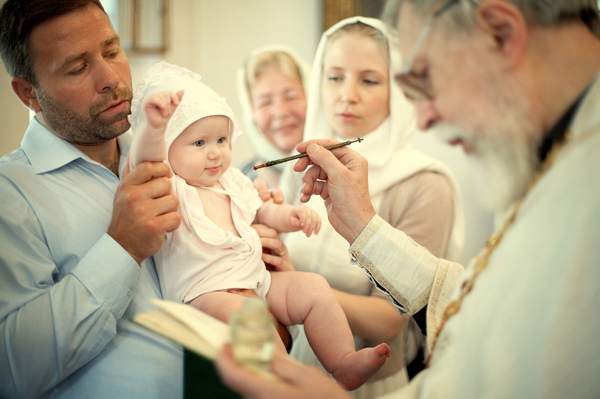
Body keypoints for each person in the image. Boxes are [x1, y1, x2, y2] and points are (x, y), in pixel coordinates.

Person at [216, 0, 600, 397]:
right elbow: (485, 309)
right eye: (334, 77)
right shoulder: (560, 155)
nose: (422, 119)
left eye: (423, 78)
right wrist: (361, 228)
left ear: (501, 32)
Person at [128, 61, 391, 391]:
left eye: (222, 140)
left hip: (257, 282)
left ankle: (342, 361)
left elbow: (264, 211)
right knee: (256, 325)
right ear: (168, 149)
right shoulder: (173, 187)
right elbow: (145, 163)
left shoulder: (234, 181)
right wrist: (154, 129)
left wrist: (292, 216)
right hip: (207, 294)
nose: (215, 154)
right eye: (199, 143)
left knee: (314, 288)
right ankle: (281, 386)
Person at [0, 1, 185, 398]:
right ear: (28, 93)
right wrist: (121, 248)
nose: (110, 78)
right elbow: (12, 369)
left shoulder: (181, 154)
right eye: (78, 67)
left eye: (112, 51)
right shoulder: (9, 195)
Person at [278, 16, 464, 398]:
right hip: (289, 374)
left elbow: (389, 320)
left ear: (398, 91)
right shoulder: (296, 169)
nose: (348, 94)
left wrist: (291, 288)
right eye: (334, 77)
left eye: (369, 80)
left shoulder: (425, 183)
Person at [238, 46, 309, 189]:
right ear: (251, 113)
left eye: (291, 97)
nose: (280, 112)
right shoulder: (237, 187)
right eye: (265, 102)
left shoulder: (341, 169)